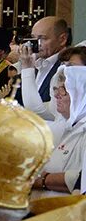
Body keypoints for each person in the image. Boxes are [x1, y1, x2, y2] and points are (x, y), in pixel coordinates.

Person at [33, 66, 86, 197]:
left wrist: (43, 180)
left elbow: (80, 180)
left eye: (64, 90)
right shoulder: (68, 125)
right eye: (56, 89)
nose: (57, 95)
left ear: (82, 95)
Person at [17, 14, 70, 119]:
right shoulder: (35, 63)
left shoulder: (68, 66)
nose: (37, 44)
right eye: (33, 38)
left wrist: (27, 69)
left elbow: (52, 114)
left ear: (62, 39)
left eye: (43, 38)